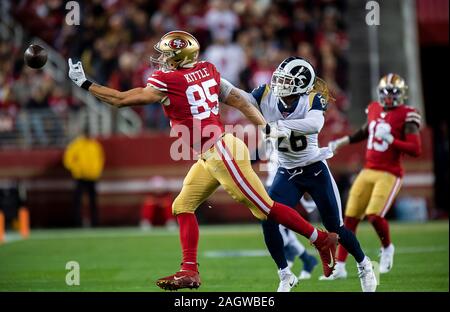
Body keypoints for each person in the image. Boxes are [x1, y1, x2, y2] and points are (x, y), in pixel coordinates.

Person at [67, 30, 338, 291]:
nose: (161, 60)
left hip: (222, 151)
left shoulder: (168, 80)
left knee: (265, 207)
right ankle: (189, 270)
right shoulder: (207, 69)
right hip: (211, 153)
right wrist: (264, 126)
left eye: (166, 55)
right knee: (182, 205)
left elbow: (120, 99)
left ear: (180, 56)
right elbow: (241, 102)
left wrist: (84, 83)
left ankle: (321, 239)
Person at [242, 57, 377, 292]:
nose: (279, 84)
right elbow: (240, 99)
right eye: (280, 78)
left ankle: (364, 265)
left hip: (314, 169)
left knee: (335, 226)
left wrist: (278, 128)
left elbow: (314, 124)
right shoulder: (265, 93)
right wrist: (219, 87)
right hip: (286, 172)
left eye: (286, 80)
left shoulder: (313, 98)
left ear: (301, 84)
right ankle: (285, 275)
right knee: (267, 218)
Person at [328, 73, 422, 278]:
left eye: (393, 92)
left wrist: (392, 140)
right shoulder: (373, 108)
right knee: (349, 218)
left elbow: (416, 149)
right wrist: (341, 142)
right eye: (385, 92)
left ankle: (387, 248)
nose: (388, 96)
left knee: (374, 215)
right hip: (368, 170)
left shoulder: (408, 114)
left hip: (389, 172)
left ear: (402, 94)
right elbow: (364, 131)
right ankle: (341, 266)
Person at [261, 137, 318, 290]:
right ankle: (306, 259)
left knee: (279, 228)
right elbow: (263, 153)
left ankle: (301, 258)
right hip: (272, 183)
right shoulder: (267, 131)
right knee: (279, 227)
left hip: (282, 183)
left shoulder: (282, 127)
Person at [63, 128, 105, 227]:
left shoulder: (95, 145)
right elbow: (68, 159)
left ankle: (95, 222)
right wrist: (76, 169)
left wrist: (96, 171)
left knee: (93, 201)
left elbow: (100, 159)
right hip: (80, 177)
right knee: (78, 201)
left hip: (92, 177)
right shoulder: (77, 145)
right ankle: (77, 222)